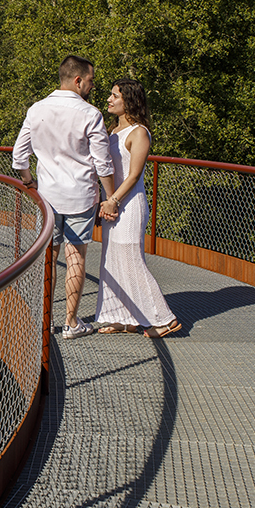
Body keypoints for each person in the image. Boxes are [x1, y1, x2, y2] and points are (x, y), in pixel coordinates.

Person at [13, 55, 118, 339]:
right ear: (77, 80)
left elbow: (19, 157)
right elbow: (103, 163)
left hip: (47, 197)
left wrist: (30, 182)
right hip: (80, 197)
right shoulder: (89, 114)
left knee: (49, 258)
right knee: (76, 259)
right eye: (91, 81)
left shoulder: (37, 109)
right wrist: (111, 197)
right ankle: (71, 323)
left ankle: (45, 321)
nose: (93, 86)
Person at [94, 78, 182, 338]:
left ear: (129, 101)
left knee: (130, 260)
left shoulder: (139, 132)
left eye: (114, 96)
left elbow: (133, 175)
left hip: (129, 205)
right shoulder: (112, 131)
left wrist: (113, 200)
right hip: (112, 203)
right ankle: (124, 317)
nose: (109, 100)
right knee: (112, 260)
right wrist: (104, 200)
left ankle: (164, 319)